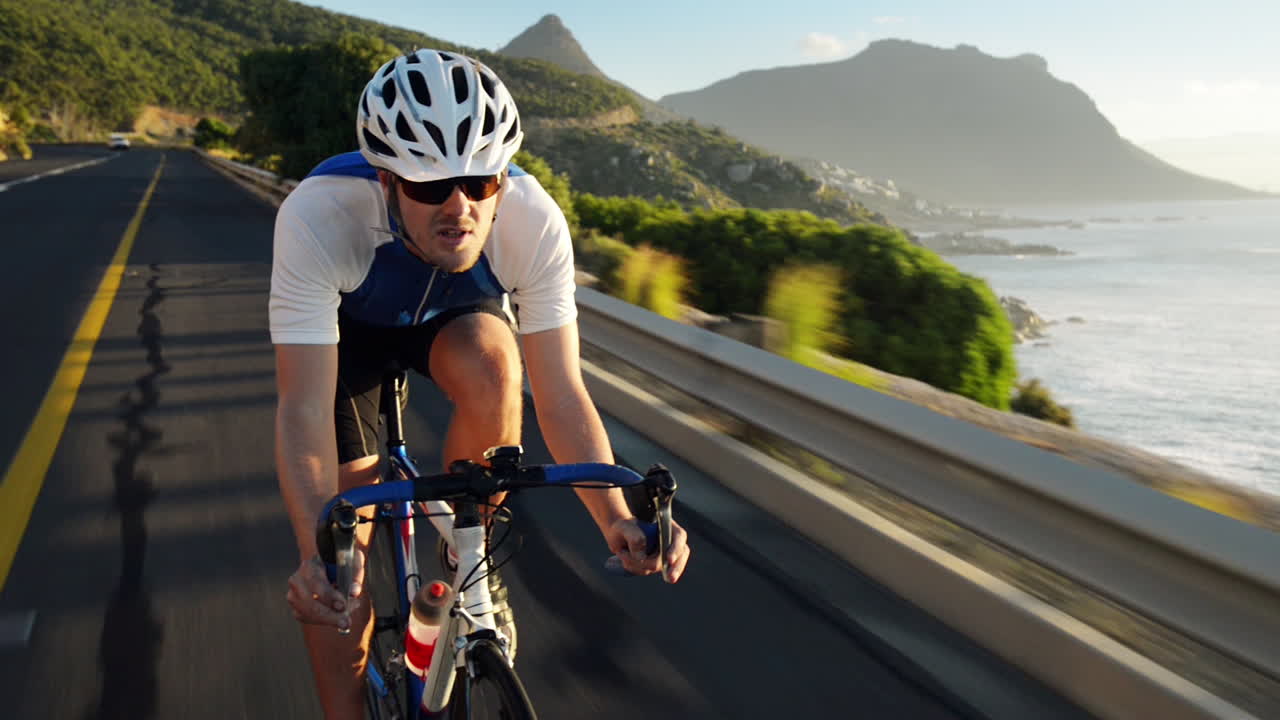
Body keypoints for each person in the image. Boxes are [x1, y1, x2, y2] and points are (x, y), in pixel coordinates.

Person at [269, 48, 692, 718]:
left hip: (455, 325)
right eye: (430, 186)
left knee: (500, 366)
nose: (459, 206)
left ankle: (471, 566)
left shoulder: (533, 221)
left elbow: (559, 392)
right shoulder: (318, 216)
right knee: (339, 578)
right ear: (385, 180)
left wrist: (617, 517)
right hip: (348, 335)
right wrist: (321, 554)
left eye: (481, 182)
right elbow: (301, 408)